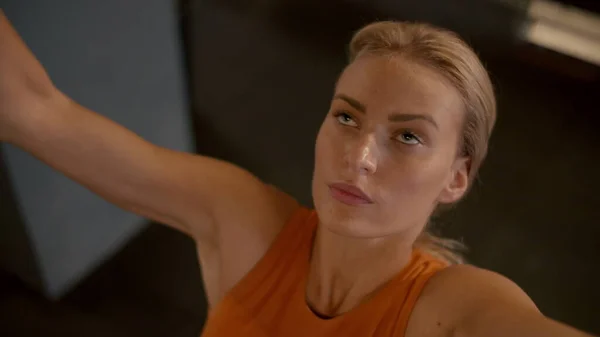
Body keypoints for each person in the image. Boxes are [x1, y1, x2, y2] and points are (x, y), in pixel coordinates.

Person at [0, 11, 594, 337]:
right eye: (346, 117)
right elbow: (37, 113)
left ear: (456, 179)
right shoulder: (242, 220)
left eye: (408, 137)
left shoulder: (454, 309)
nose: (359, 156)